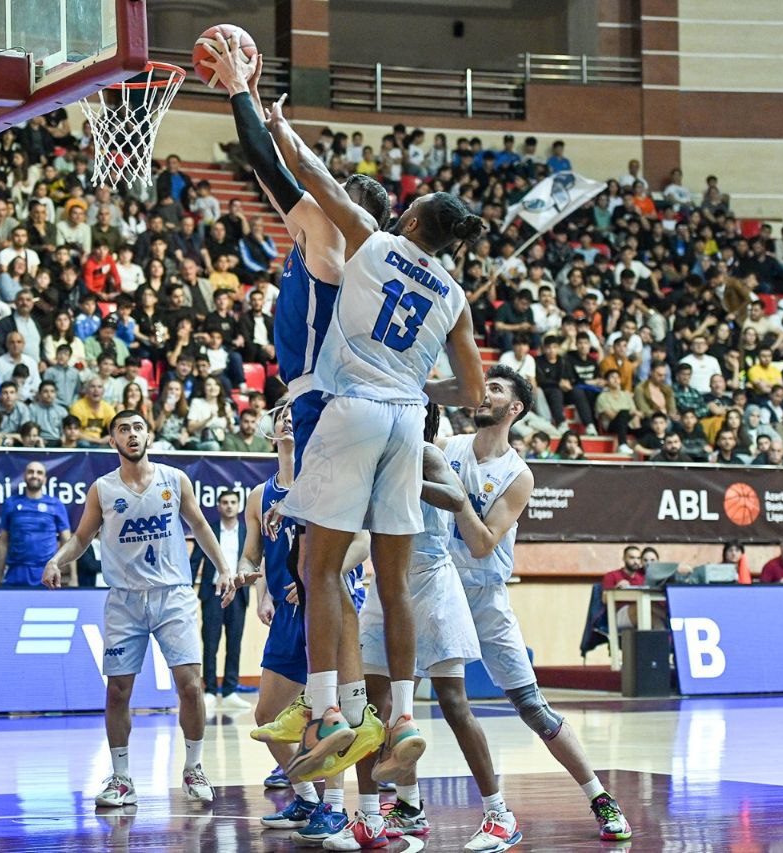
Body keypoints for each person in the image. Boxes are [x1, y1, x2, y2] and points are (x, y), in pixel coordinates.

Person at [204, 41, 483, 809]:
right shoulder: (440, 284)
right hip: (396, 407)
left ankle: (332, 708)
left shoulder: (343, 237)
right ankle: (386, 728)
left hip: (338, 402)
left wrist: (243, 94)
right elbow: (473, 387)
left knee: (320, 566)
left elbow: (272, 164)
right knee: (365, 575)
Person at [439, 365, 632, 844]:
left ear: (516, 409)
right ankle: (397, 805)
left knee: (533, 707)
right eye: (484, 387)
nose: (485, 394)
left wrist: (454, 494)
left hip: (485, 596)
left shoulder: (517, 475)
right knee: (397, 693)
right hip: (438, 587)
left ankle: (600, 798)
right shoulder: (449, 447)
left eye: (497, 390)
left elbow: (483, 544)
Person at [42, 410, 237, 808]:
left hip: (173, 594)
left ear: (149, 436)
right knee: (117, 691)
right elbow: (81, 539)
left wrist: (223, 568)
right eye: (123, 430)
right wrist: (55, 561)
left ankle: (194, 767)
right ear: (112, 441)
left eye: (138, 428)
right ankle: (122, 778)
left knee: (190, 685)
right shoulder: (102, 489)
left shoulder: (174, 479)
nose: (132, 434)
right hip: (125, 600)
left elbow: (200, 525)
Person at [351, 403, 505, 847]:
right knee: (372, 708)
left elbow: (457, 500)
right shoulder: (376, 456)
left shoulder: (425, 453)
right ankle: (393, 810)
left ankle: (498, 812)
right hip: (387, 587)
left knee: (453, 702)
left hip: (433, 585)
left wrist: (404, 477)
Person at [190, 490, 250, 713]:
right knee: (211, 643)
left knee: (234, 643)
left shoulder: (246, 532)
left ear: (239, 506)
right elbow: (195, 559)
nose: (229, 506)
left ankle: (230, 690)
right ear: (218, 506)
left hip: (238, 594)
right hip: (213, 593)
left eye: (233, 502)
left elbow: (253, 560)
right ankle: (210, 691)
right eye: (225, 502)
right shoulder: (210, 531)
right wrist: (188, 588)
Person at [0, 461, 72, 588]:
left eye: (39, 473)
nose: (34, 475)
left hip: (46, 574)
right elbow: (3, 542)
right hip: (15, 573)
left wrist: (73, 577)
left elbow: (67, 541)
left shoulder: (56, 504)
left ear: (45, 479)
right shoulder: (11, 503)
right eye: (31, 472)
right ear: (24, 476)